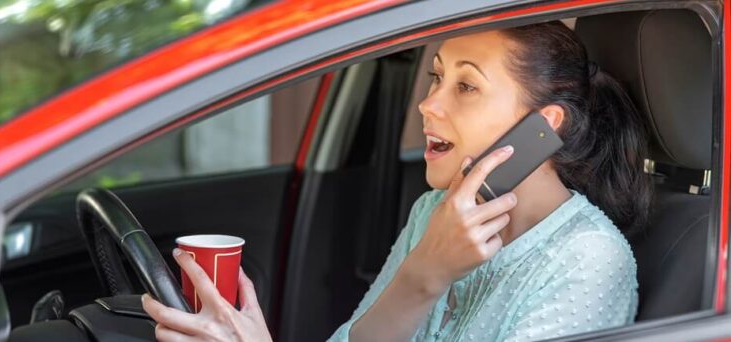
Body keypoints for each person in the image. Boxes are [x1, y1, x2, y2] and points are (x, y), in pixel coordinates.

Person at [140, 20, 651, 341]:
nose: (428, 104)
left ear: (545, 125)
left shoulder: (588, 261)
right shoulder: (435, 212)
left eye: (466, 86)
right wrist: (423, 272)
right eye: (436, 76)